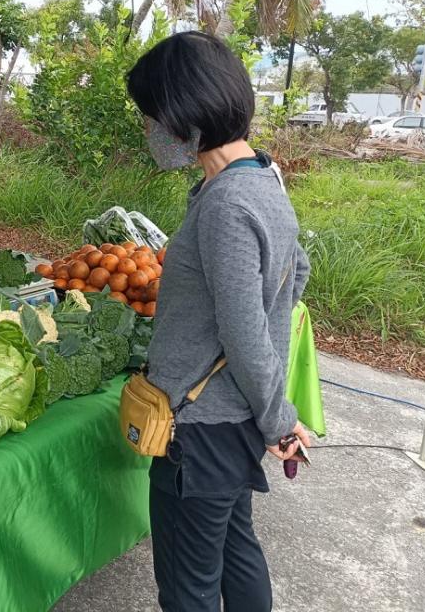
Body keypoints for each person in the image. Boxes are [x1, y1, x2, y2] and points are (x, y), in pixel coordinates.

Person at [126, 31, 312, 612]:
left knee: (189, 587)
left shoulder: (227, 204)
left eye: (151, 117)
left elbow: (245, 330)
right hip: (227, 423)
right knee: (235, 547)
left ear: (184, 117)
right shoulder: (259, 177)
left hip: (199, 427)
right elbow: (295, 274)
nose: (148, 131)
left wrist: (279, 418)